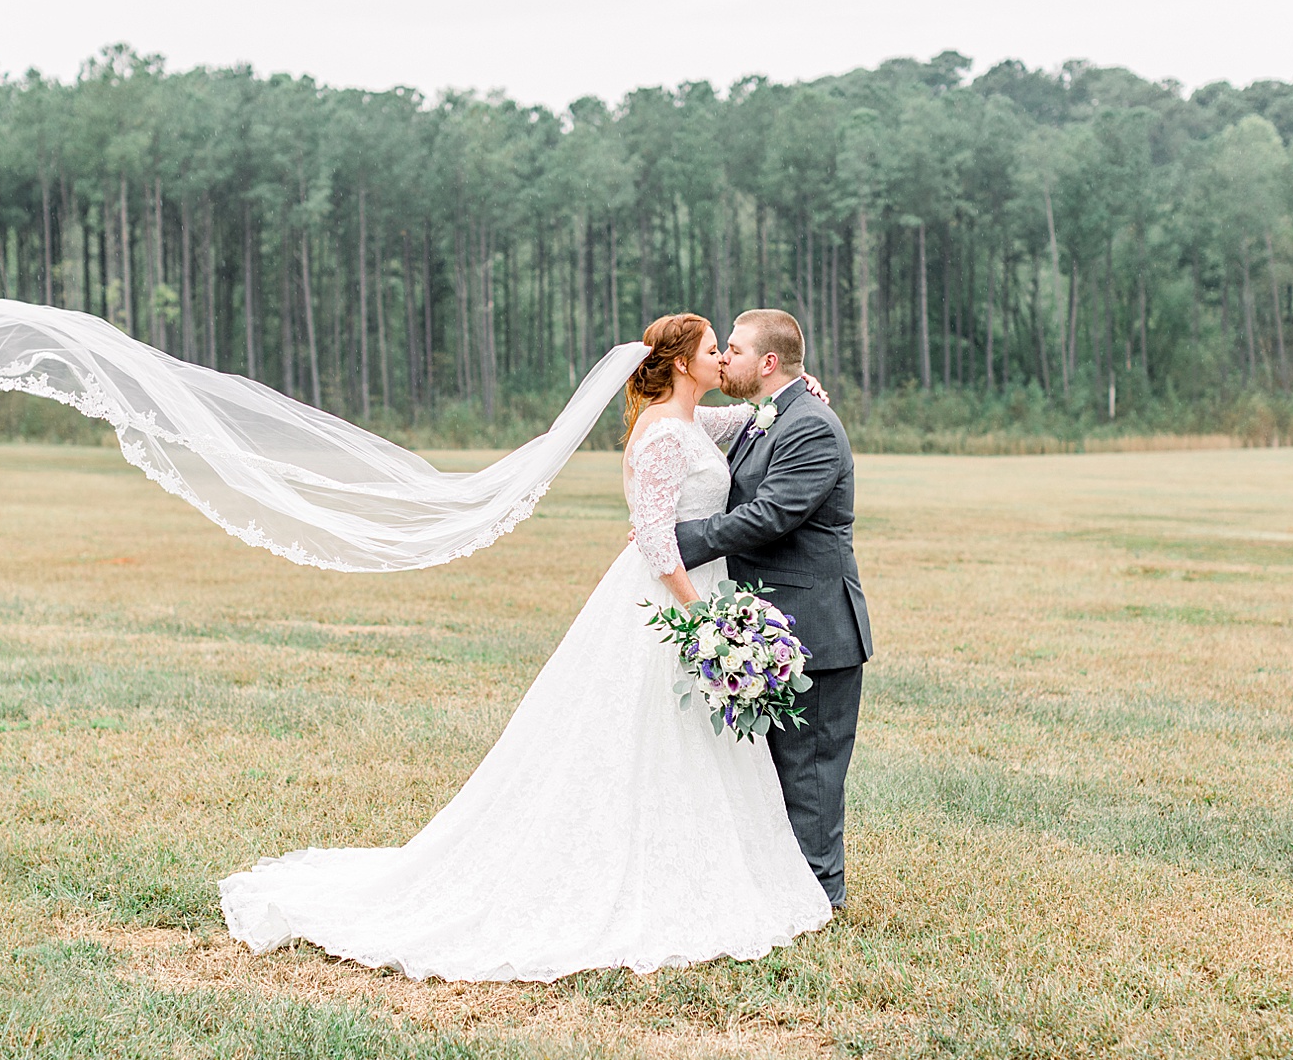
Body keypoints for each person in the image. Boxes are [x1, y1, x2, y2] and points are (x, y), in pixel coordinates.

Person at [218, 313, 835, 981]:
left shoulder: (692, 423)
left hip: (698, 597)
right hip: (675, 606)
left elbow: (748, 425)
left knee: (688, 747)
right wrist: (708, 627)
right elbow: (657, 542)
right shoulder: (660, 433)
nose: (723, 360)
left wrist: (800, 393)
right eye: (715, 350)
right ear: (684, 363)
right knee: (638, 743)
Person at [675, 309, 872, 910]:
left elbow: (773, 514)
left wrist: (680, 539)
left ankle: (820, 899)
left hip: (817, 624)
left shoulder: (810, 426)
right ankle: (783, 892)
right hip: (773, 623)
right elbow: (675, 419)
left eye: (733, 349)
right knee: (776, 771)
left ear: (767, 363)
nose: (725, 356)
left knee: (809, 773)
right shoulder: (765, 416)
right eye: (720, 348)